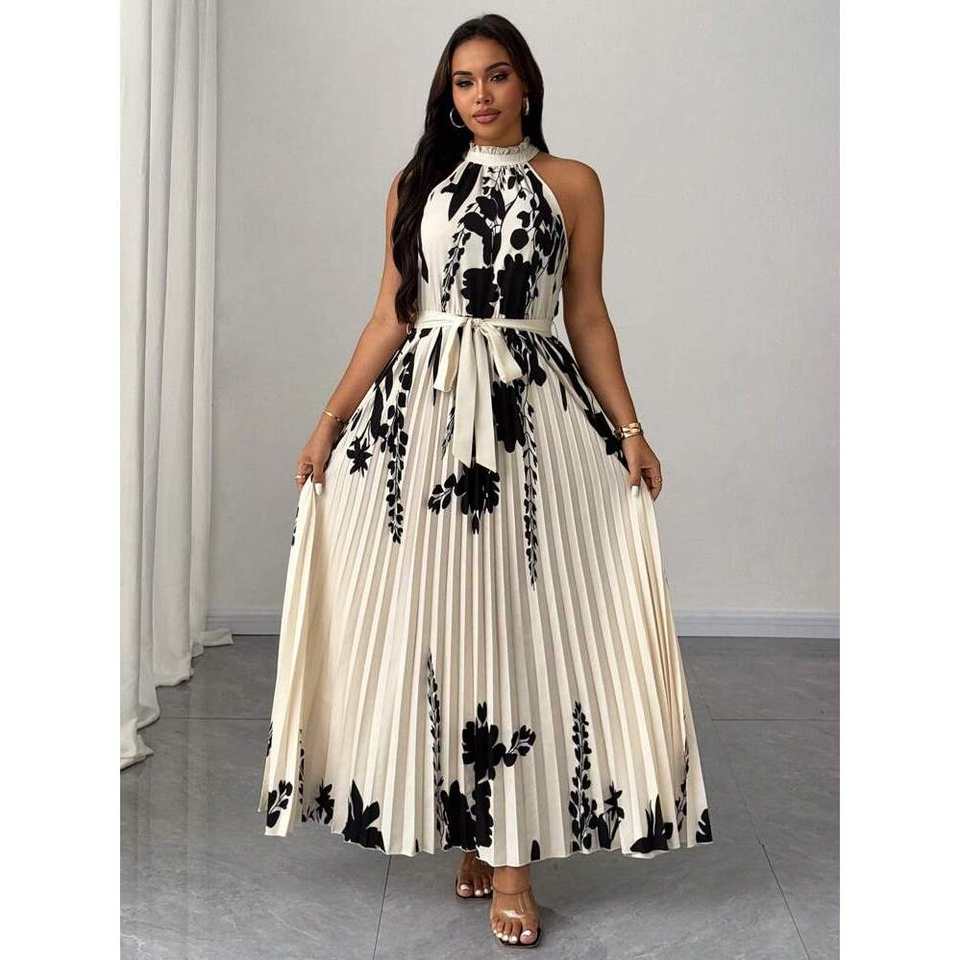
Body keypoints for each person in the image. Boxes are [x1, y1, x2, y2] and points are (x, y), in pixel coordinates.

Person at [259, 13, 713, 949]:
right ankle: (475, 826)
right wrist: (329, 420)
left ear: (527, 83)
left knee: (516, 624)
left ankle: (513, 861)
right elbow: (389, 316)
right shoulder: (416, 185)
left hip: (532, 426)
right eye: (464, 81)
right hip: (423, 429)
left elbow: (587, 315)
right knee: (444, 623)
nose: (481, 95)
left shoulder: (572, 183)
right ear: (448, 96)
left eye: (497, 76)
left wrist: (630, 430)